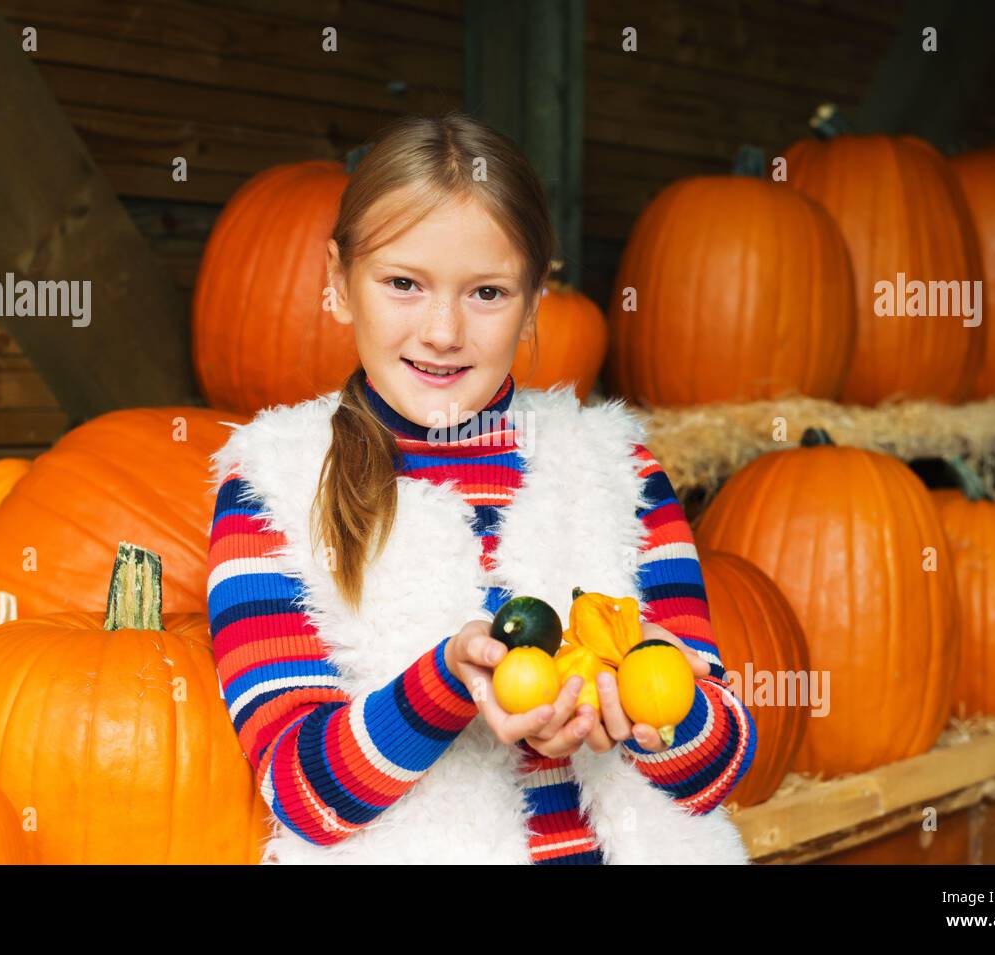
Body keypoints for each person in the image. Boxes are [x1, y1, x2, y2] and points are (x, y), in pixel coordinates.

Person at [206, 112, 755, 864]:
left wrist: (666, 701)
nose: (442, 329)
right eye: (403, 283)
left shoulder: (618, 471)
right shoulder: (273, 488)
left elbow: (716, 775)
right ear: (338, 283)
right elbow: (303, 793)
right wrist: (446, 683)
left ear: (534, 301)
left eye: (487, 293)